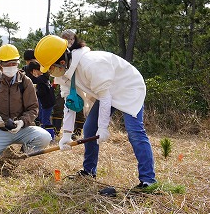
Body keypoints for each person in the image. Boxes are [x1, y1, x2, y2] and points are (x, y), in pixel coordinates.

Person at [34, 35, 157, 188]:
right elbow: (69, 103)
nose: (51, 72)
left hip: (128, 87)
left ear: (62, 61)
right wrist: (66, 134)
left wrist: (103, 127)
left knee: (134, 131)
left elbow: (105, 98)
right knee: (89, 128)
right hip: (106, 92)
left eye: (51, 67)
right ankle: (89, 170)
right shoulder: (64, 73)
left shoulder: (91, 63)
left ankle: (148, 180)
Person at [0, 44, 52, 162]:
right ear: (0, 65)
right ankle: (2, 154)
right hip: (1, 130)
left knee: (45, 137)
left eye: (14, 63)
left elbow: (33, 108)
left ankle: (22, 155)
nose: (11, 66)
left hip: (23, 128)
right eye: (7, 64)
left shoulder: (26, 82)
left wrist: (22, 121)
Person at [27, 61, 56, 140]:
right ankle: (45, 135)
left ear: (34, 71)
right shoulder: (45, 77)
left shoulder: (39, 79)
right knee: (43, 118)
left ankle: (51, 136)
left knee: (45, 120)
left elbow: (42, 92)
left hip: (46, 103)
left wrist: (35, 92)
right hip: (50, 101)